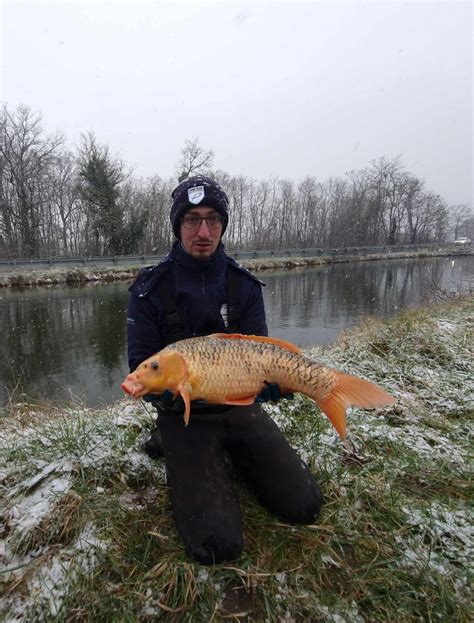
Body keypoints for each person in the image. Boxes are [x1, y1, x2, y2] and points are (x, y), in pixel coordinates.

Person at [126, 175, 323, 565]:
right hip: (181, 413)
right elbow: (140, 366)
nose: (203, 231)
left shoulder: (243, 285)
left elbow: (263, 355)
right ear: (177, 226)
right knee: (217, 545)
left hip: (238, 404)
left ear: (224, 225)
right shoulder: (150, 288)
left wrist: (272, 387)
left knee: (304, 506)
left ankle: (241, 450)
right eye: (191, 219)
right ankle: (169, 441)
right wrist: (159, 391)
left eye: (214, 219)